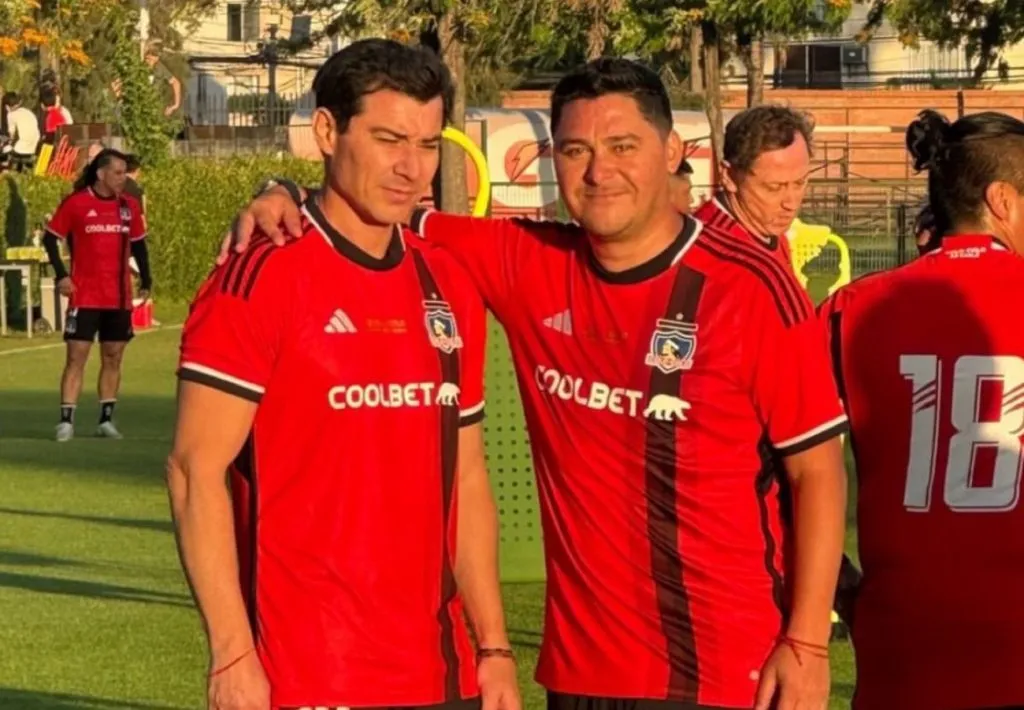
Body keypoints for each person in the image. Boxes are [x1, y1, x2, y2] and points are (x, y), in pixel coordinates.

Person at [227, 58, 849, 710]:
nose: (598, 171)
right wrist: (284, 191)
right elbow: (371, 204)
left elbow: (818, 475)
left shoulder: (751, 287)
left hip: (723, 671)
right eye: (576, 150)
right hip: (578, 675)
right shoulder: (529, 261)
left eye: (622, 147)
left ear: (671, 152)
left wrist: (806, 645)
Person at [166, 39, 519, 710]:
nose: (411, 168)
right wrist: (231, 654)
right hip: (310, 670)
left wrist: (495, 646)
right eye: (389, 139)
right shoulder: (261, 271)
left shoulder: (447, 281)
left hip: (443, 670)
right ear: (327, 132)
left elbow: (466, 477)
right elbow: (192, 471)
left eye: (426, 143)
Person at [819, 109, 1024, 710]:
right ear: (1002, 200)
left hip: (900, 652)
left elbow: (770, 461)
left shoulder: (850, 309)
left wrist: (835, 578)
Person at [43, 148, 151, 441]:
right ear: (101, 174)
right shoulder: (77, 204)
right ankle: (66, 420)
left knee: (113, 357)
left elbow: (139, 244)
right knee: (76, 358)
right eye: (117, 173)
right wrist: (62, 275)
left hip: (118, 296)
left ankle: (106, 420)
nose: (122, 178)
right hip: (85, 295)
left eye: (124, 173)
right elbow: (50, 239)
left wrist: (147, 279)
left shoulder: (129, 206)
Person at [694, 106, 815, 269]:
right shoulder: (713, 255)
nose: (791, 204)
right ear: (729, 176)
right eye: (774, 187)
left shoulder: (770, 234)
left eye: (800, 183)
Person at [2, 92, 40, 172]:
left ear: (7, 107)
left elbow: (11, 135)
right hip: (34, 147)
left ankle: (8, 171)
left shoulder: (11, 115)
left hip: (21, 150)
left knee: (5, 150)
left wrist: (6, 143)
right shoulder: (27, 111)